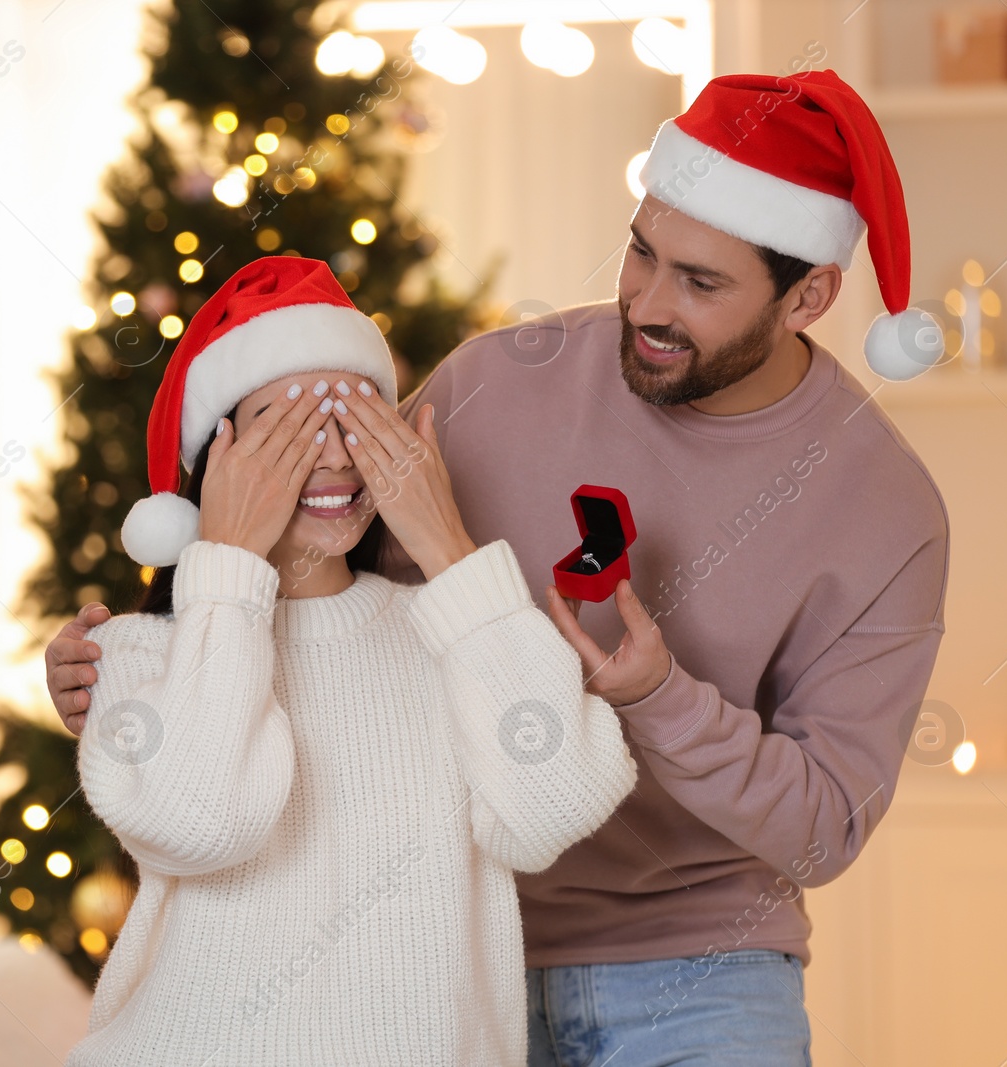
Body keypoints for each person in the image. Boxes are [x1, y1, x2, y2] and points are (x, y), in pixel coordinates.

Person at [50, 70, 952, 1064]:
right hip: (456, 963)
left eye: (698, 283)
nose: (645, 301)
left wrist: (657, 697)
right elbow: (325, 612)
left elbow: (822, 829)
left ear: (809, 295)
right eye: (641, 253)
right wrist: (143, 669)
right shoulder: (492, 384)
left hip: (700, 968)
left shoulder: (883, 509)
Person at [59, 255, 638, 1066]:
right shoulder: (133, 654)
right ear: (213, 456)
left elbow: (553, 806)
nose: (332, 457)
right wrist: (226, 563)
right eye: (287, 427)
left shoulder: (449, 632)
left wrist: (447, 547)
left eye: (358, 419)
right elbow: (197, 822)